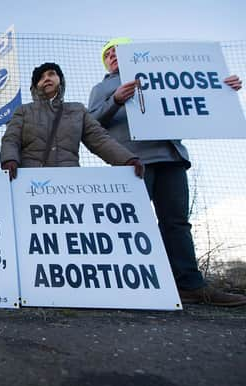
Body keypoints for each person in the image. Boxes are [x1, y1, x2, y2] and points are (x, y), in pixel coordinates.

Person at [88, 37, 246, 307]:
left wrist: (223, 90)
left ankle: (191, 285)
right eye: (108, 54)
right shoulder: (102, 87)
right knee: (130, 225)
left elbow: (196, 91)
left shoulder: (160, 75)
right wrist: (115, 99)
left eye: (117, 51)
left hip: (170, 157)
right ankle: (128, 285)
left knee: (176, 223)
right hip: (133, 160)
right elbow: (91, 122)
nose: (112, 56)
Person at [0, 62, 144, 179]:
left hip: (70, 181)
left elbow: (99, 139)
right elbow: (11, 139)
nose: (47, 79)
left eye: (51, 74)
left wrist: (127, 160)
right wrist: (9, 160)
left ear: (60, 80)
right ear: (35, 86)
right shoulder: (23, 111)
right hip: (31, 180)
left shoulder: (77, 110)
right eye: (41, 77)